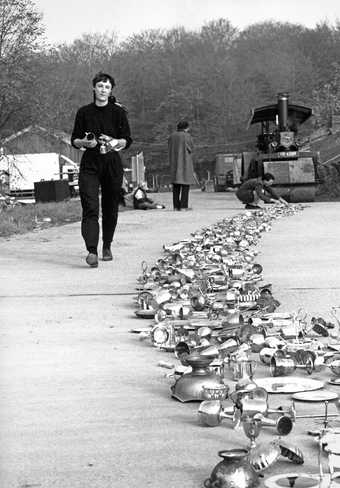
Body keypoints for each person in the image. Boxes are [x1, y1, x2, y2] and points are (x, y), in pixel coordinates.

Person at [71, 72, 132, 267]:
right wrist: (85, 143)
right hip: (90, 164)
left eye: (107, 87)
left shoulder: (118, 112)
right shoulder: (84, 112)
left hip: (112, 164)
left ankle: (107, 245)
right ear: (94, 88)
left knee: (110, 208)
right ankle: (91, 251)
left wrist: (114, 142)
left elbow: (127, 140)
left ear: (110, 90)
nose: (103, 90)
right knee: (90, 207)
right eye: (100, 86)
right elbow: (74, 140)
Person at [168, 120, 196, 211]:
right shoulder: (187, 136)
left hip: (174, 163)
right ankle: (184, 206)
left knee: (176, 185)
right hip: (184, 163)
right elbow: (191, 148)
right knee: (185, 185)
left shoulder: (171, 136)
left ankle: (176, 206)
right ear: (186, 127)